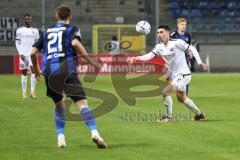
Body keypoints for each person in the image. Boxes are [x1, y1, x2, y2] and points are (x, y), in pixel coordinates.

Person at [30, 5, 107, 148]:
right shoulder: (72, 29)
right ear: (69, 17)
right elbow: (75, 43)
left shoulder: (46, 32)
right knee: (82, 104)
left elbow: (32, 52)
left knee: (59, 104)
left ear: (56, 16)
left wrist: (36, 70)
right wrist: (91, 62)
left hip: (50, 72)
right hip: (67, 70)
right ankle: (95, 133)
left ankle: (61, 138)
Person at [129, 25, 207, 122]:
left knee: (166, 91)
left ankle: (168, 117)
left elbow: (192, 49)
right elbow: (148, 56)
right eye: (158, 33)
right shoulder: (159, 47)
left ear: (167, 33)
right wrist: (136, 58)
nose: (159, 34)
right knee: (181, 98)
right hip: (175, 75)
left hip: (184, 75)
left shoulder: (177, 42)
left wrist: (199, 62)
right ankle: (199, 114)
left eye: (161, 32)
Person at [15, 14, 39, 99]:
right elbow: (17, 43)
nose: (28, 20)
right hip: (23, 55)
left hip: (31, 54)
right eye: (27, 19)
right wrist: (20, 53)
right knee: (24, 73)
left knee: (33, 71)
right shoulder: (20, 30)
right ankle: (24, 93)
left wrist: (36, 51)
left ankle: (32, 92)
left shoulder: (35, 31)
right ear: (24, 20)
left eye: (30, 19)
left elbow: (37, 43)